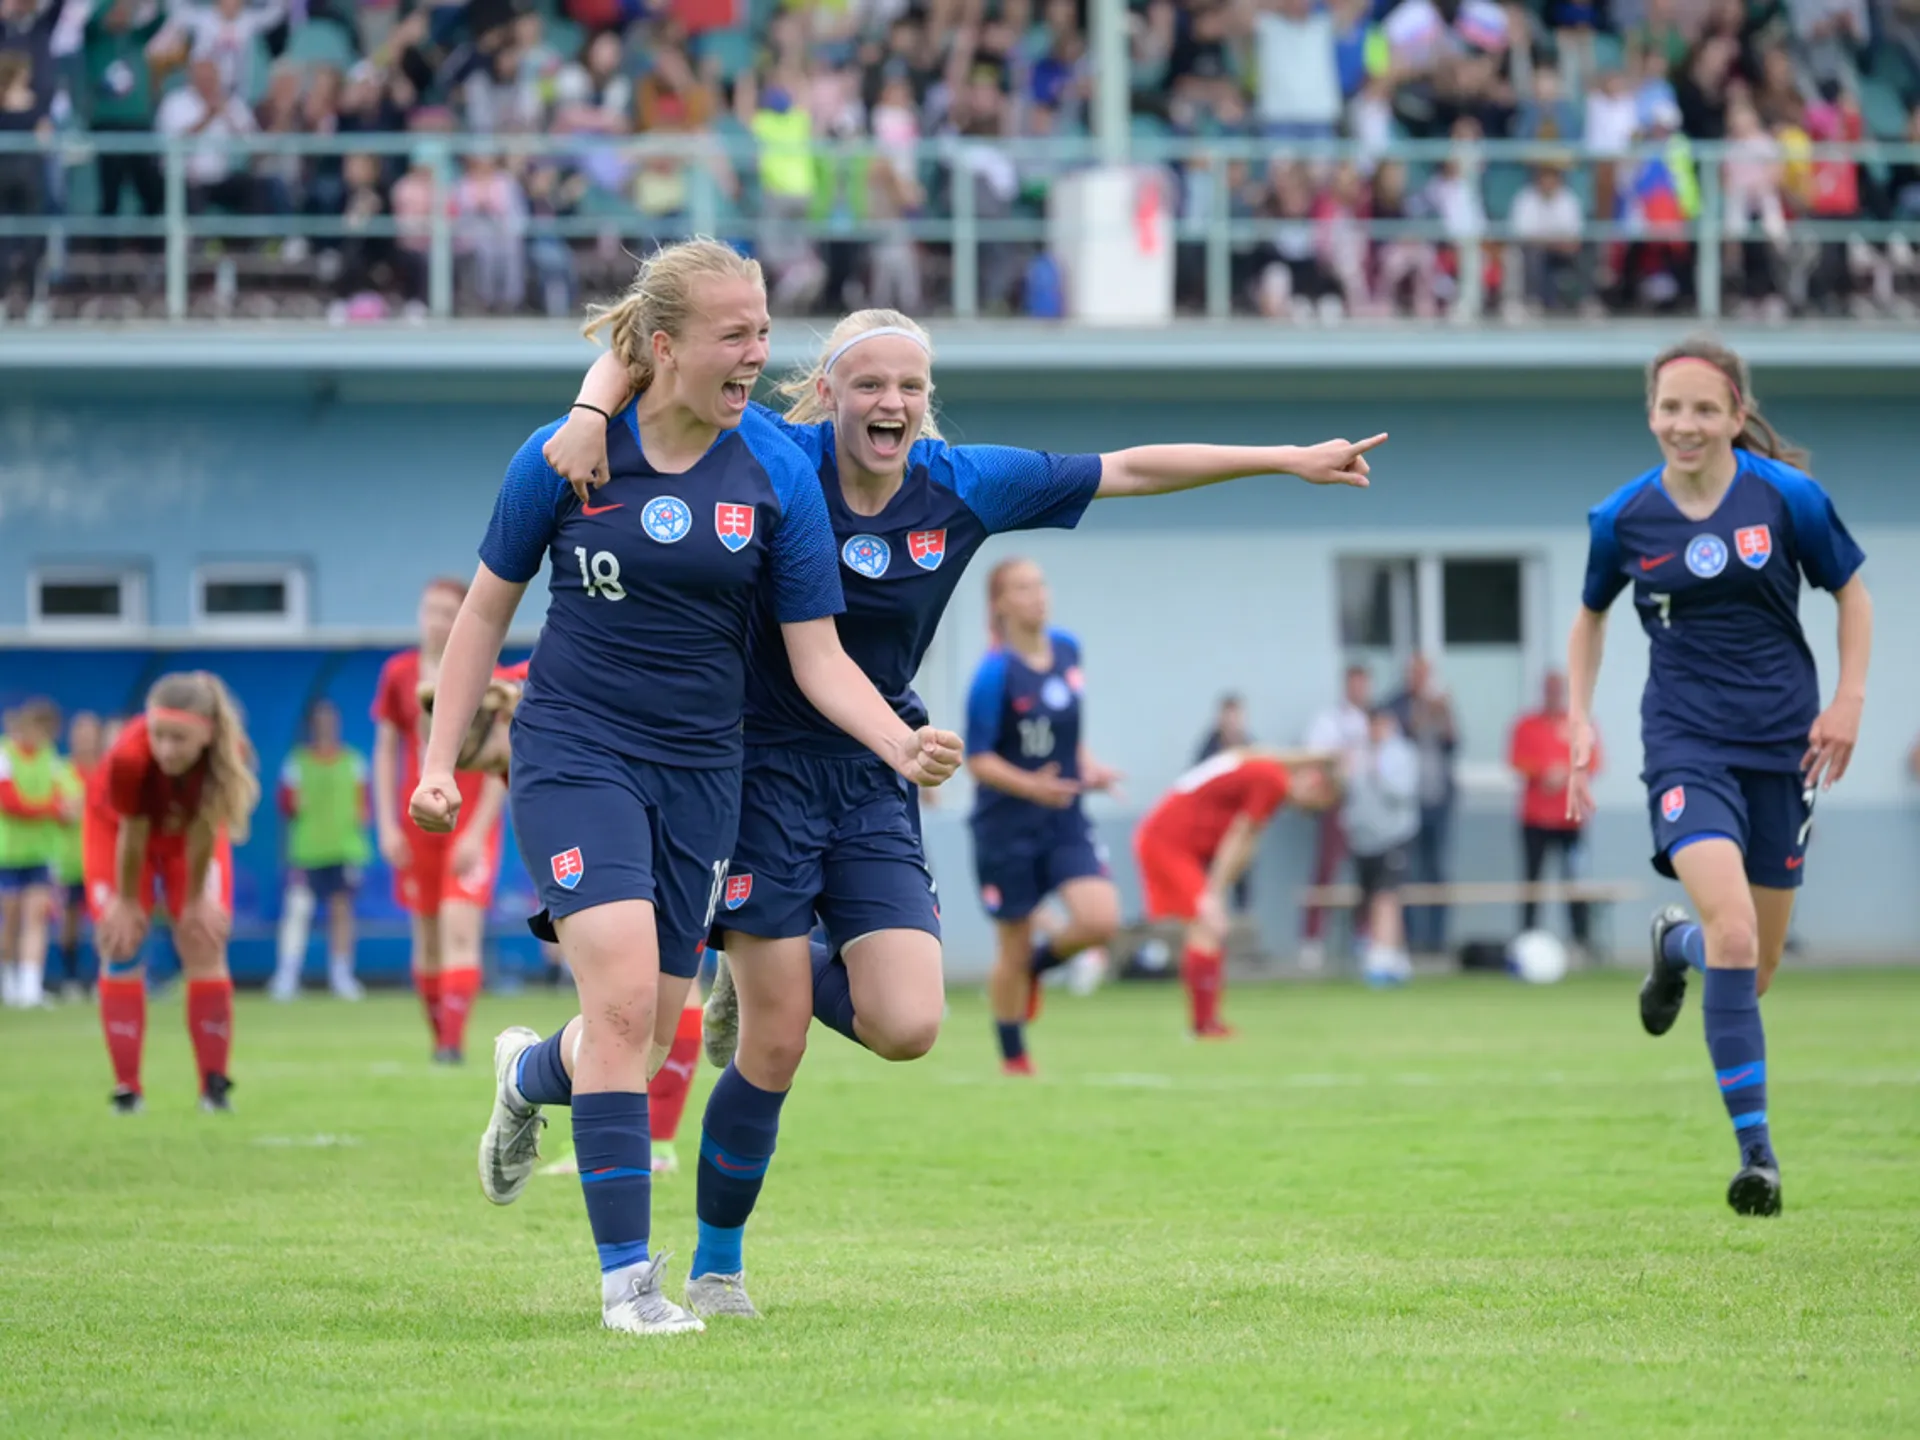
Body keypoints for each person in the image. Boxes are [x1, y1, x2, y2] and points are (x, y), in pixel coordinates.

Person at [544, 304, 1384, 1312]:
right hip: (758, 773)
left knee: (907, 1024)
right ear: (826, 396)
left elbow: (1129, 469)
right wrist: (591, 412)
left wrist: (1287, 459)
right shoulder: (770, 450)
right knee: (776, 1043)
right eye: (868, 384)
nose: (890, 402)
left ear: (926, 402)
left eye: (909, 386)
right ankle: (717, 1266)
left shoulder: (963, 483)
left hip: (876, 775)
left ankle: (776, 967)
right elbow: (649, 347)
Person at [412, 240, 962, 1339]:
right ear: (662, 347)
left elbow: (816, 657)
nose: (760, 354)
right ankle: (632, 1287)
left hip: (708, 775)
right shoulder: (565, 457)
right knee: (621, 1006)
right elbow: (484, 612)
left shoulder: (777, 483)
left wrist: (896, 745)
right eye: (737, 335)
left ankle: (531, 1075)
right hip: (576, 753)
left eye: (764, 332)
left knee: (642, 1029)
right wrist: (438, 761)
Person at [1567, 336, 1872, 1218]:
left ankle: (1675, 946)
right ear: (1651, 415)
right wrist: (1579, 720)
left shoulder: (1789, 499)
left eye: (1705, 409)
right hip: (1685, 746)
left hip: (1785, 748)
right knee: (1737, 936)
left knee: (1753, 966)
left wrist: (1848, 699)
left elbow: (1852, 593)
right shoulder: (1622, 519)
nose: (1685, 425)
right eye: (1670, 409)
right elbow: (1589, 619)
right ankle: (1758, 1159)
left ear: (1738, 414)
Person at [966, 558, 1123, 1075]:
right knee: (1011, 942)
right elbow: (980, 759)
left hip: (1064, 818)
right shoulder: (994, 674)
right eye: (1023, 588)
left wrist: (1091, 768)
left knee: (1100, 919)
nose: (1037, 596)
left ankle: (1036, 970)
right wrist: (1032, 785)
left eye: (1040, 585)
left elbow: (1066, 738)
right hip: (1006, 827)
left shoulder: (1067, 648)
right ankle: (1014, 1059)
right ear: (1001, 604)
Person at [85, 671, 259, 1114]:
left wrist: (197, 900)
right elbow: (133, 835)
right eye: (158, 735)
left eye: (178, 738)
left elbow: (203, 832)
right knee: (121, 942)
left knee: (203, 938)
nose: (166, 749)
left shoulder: (226, 758)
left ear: (208, 733)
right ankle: (127, 1090)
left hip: (188, 837)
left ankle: (214, 1088)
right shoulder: (129, 759)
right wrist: (125, 902)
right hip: (117, 834)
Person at [372, 578, 508, 1062]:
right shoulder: (399, 673)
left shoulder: (484, 672)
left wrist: (478, 830)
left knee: (459, 929)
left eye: (447, 612)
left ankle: (452, 1044)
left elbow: (501, 758)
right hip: (419, 821)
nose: (435, 621)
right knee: (426, 937)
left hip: (467, 822)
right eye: (428, 611)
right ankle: (438, 1040)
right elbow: (387, 750)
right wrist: (386, 825)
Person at [1134, 746, 1339, 1036]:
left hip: (1170, 840)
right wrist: (1213, 893)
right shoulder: (1273, 781)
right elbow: (1241, 835)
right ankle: (1204, 1025)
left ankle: (1205, 1022)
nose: (1307, 810)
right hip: (1169, 843)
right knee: (1207, 924)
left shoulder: (1262, 768)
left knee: (1205, 928)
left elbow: (1246, 840)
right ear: (1316, 781)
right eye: (1316, 804)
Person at [271, 699, 372, 1002]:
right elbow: (285, 806)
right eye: (320, 720)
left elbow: (363, 806)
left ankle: (341, 976)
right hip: (307, 850)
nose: (326, 726)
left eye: (331, 720)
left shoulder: (353, 761)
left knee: (342, 912)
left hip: (344, 848)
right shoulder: (297, 762)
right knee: (298, 910)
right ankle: (287, 976)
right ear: (311, 725)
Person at [1508, 672, 1598, 948]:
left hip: (1571, 819)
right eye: (1549, 690)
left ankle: (1581, 939)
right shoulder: (1526, 725)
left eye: (1558, 690)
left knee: (1575, 881)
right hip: (1535, 818)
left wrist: (1568, 773)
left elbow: (1594, 762)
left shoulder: (1580, 725)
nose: (1554, 696)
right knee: (1532, 881)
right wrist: (1542, 773)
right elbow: (1516, 760)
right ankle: (1527, 938)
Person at [1299, 664, 1372, 969]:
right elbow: (1314, 756)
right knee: (1327, 871)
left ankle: (1364, 938)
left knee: (1368, 873)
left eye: (1364, 685)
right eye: (1354, 684)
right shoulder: (1328, 721)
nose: (1360, 690)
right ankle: (1313, 939)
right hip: (1337, 803)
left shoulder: (1373, 721)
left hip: (1369, 806)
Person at [1343, 705, 1421, 987]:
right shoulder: (1357, 753)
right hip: (1364, 840)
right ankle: (1397, 958)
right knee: (1374, 899)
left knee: (1385, 897)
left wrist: (1378, 770)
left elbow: (1403, 793)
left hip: (1394, 836)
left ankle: (1381, 958)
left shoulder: (1401, 754)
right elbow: (1347, 794)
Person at [1386, 654, 1457, 955]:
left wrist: (1443, 713)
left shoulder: (1441, 707)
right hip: (1407, 805)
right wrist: (1419, 713)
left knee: (1437, 870)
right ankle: (1411, 940)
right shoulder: (1395, 705)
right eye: (1416, 674)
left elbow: (1453, 743)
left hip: (1438, 801)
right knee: (1408, 872)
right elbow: (1398, 738)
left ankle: (1437, 940)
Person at [0, 699, 69, 1009]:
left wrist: (63, 811)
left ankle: (29, 989)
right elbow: (10, 803)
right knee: (9, 922)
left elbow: (61, 800)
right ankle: (8, 983)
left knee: (36, 919)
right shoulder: (4, 755)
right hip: (7, 855)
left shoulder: (50, 758)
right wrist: (52, 809)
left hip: (40, 854)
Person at [48, 710, 103, 1000]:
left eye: (89, 733)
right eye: (79, 733)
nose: (84, 739)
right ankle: (70, 980)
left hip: (100, 860)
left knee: (102, 921)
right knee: (68, 922)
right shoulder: (60, 770)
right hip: (68, 859)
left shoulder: (107, 769)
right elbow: (59, 810)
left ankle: (99, 980)